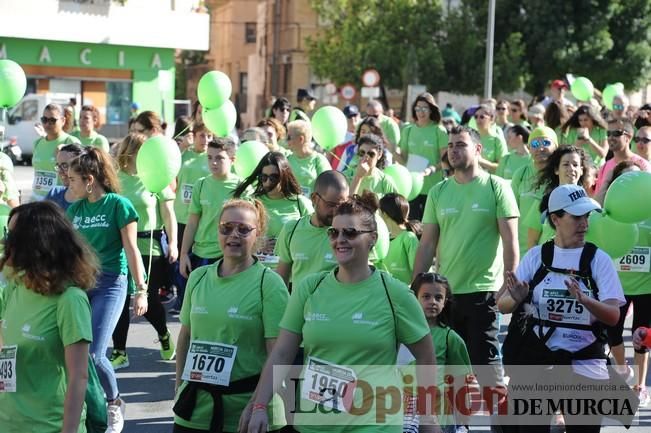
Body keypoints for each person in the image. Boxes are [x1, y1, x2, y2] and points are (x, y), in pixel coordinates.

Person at [243, 192, 437, 433]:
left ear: (372, 239)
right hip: (314, 423)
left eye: (350, 233)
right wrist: (259, 405)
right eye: (334, 232)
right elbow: (281, 353)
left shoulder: (395, 294)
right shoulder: (309, 288)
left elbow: (427, 359)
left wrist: (429, 420)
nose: (340, 239)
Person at [498, 184, 625, 433]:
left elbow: (613, 316)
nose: (585, 224)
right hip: (537, 361)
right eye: (577, 217)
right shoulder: (536, 256)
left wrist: (586, 301)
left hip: (585, 364)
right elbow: (503, 306)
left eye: (587, 216)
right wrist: (516, 298)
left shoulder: (599, 260)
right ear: (555, 219)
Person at [413, 125, 519, 396]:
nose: (453, 150)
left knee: (487, 372)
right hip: (447, 297)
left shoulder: (497, 187)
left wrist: (509, 286)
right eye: (450, 146)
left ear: (478, 149)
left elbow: (510, 242)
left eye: (460, 145)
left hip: (485, 294)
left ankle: (500, 426)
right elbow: (427, 244)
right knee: (449, 376)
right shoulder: (439, 191)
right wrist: (416, 286)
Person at [172, 198, 290, 432]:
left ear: (257, 235)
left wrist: (259, 406)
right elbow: (185, 337)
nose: (233, 235)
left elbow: (278, 354)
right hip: (195, 409)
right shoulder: (198, 277)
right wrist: (179, 389)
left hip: (248, 412)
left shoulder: (269, 283)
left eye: (243, 229)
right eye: (226, 228)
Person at [66, 147, 148, 433]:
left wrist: (141, 290)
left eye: (73, 179)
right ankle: (90, 407)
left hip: (111, 283)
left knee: (94, 353)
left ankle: (114, 402)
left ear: (90, 180)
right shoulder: (74, 210)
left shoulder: (118, 205)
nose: (69, 184)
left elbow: (132, 249)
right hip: (79, 285)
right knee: (72, 352)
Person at [0, 201, 96, 433]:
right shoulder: (14, 286)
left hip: (50, 426)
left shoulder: (70, 300)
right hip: (8, 424)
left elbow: (79, 378)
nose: (6, 242)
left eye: (13, 236)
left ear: (36, 243)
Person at [109, 133, 178, 370]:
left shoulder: (156, 178)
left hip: (151, 246)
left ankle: (164, 333)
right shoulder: (115, 180)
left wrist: (175, 243)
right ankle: (119, 351)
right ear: (130, 153)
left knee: (147, 300)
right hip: (121, 246)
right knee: (121, 299)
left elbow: (169, 213)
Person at [410, 272, 473, 433]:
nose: (432, 302)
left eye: (438, 297)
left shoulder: (450, 338)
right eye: (426, 296)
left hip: (439, 417)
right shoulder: (401, 334)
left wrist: (463, 421)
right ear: (414, 298)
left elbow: (462, 381)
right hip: (401, 413)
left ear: (445, 302)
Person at [233, 152, 313, 268]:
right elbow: (235, 236)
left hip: (291, 273)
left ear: (284, 176)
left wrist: (289, 245)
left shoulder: (300, 203)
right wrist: (256, 244)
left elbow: (313, 236)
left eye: (273, 178)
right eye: (264, 177)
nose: (268, 182)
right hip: (256, 271)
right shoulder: (251, 203)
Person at [179, 138, 241, 279]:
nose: (213, 162)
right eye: (209, 157)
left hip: (228, 255)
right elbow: (192, 223)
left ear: (232, 160)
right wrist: (183, 255)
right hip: (201, 254)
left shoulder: (241, 187)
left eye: (219, 158)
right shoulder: (200, 185)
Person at [275, 170, 349, 287]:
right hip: (299, 305)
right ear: (314, 198)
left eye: (341, 205)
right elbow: (281, 281)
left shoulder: (350, 235)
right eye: (331, 205)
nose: (336, 211)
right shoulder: (291, 229)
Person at [171, 123, 212, 313]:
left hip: (203, 217)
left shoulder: (212, 159)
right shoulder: (184, 156)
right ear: (193, 136)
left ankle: (196, 299)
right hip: (181, 215)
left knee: (197, 260)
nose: (205, 140)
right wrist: (180, 148)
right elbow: (169, 170)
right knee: (181, 258)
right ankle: (181, 297)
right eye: (202, 136)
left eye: (209, 136)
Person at [524, 145, 590, 249]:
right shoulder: (544, 202)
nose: (571, 169)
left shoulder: (589, 205)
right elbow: (532, 240)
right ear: (556, 170)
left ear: (581, 170)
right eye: (565, 164)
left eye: (575, 165)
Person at [397, 92, 449, 219]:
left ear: (431, 110)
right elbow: (403, 159)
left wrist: (431, 169)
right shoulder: (408, 130)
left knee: (429, 226)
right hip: (412, 188)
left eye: (425, 108)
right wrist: (393, 150)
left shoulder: (439, 130)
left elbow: (446, 161)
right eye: (418, 108)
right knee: (412, 225)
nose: (421, 112)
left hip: (432, 187)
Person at [510, 126, 559, 257]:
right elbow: (510, 212)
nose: (540, 148)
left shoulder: (560, 174)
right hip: (521, 249)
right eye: (535, 144)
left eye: (546, 143)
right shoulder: (520, 174)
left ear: (556, 146)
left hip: (551, 248)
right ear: (529, 148)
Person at [32, 103, 81, 201]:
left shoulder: (70, 142)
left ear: (63, 120)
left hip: (60, 199)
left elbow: (80, 174)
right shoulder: (37, 143)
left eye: (52, 120)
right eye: (44, 120)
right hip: (37, 198)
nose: (47, 124)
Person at [594, 118, 651, 199]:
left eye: (616, 133)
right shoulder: (604, 167)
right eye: (608, 133)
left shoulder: (642, 165)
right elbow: (598, 199)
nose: (611, 137)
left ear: (628, 137)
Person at [378, 193, 421, 284]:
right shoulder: (382, 240)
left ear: (384, 214)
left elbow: (419, 273)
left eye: (379, 212)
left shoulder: (409, 238)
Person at [285, 120, 331, 196]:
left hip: (312, 207)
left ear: (301, 139)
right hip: (290, 207)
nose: (286, 140)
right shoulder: (287, 159)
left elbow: (328, 187)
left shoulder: (319, 160)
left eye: (289, 137)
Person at [350, 134, 397, 199]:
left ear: (379, 155)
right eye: (362, 152)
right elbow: (346, 205)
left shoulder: (385, 181)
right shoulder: (346, 175)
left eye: (371, 154)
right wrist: (358, 176)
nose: (366, 157)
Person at [45, 143, 84, 210]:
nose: (60, 171)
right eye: (58, 166)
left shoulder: (91, 198)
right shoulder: (54, 193)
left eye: (64, 166)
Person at [474, 104, 509, 174]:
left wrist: (482, 161)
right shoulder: (471, 137)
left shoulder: (497, 140)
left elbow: (503, 166)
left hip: (491, 181)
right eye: (476, 117)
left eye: (482, 117)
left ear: (491, 119)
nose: (478, 119)